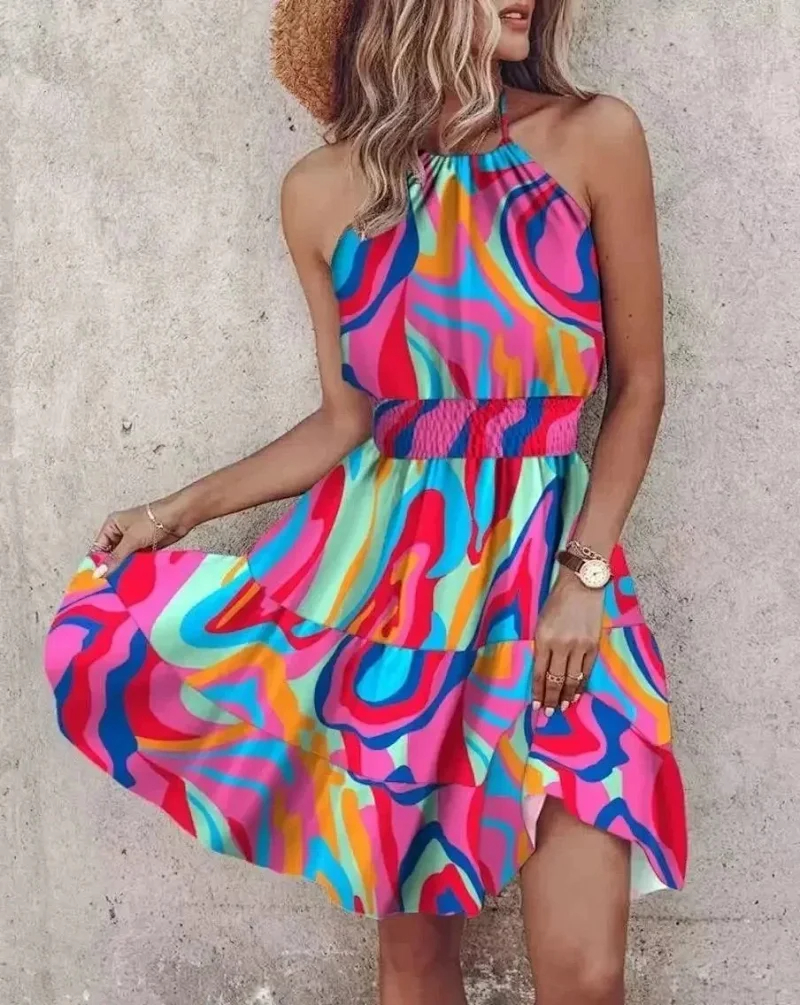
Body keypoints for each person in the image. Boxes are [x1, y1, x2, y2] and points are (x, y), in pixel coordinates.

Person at [45, 1, 688, 1002]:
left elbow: (639, 386)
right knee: (414, 956)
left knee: (585, 970)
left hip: (556, 588)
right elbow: (346, 419)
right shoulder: (321, 192)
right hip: (400, 604)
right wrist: (174, 512)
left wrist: (587, 572)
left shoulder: (592, 137)